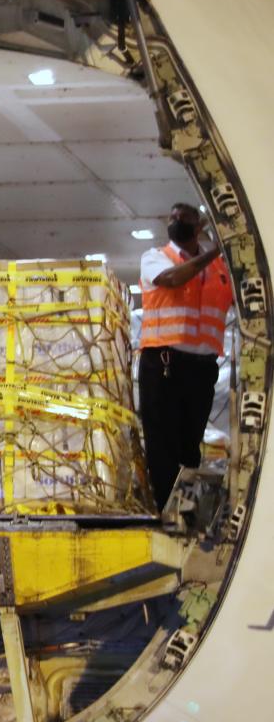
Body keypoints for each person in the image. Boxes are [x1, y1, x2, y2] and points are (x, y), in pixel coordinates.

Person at [138, 202, 230, 511]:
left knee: (189, 448)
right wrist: (217, 250)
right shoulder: (156, 257)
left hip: (201, 369)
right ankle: (167, 510)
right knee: (163, 446)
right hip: (163, 364)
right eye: (172, 217)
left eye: (184, 217)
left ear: (199, 225)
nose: (176, 221)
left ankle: (186, 512)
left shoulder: (221, 270)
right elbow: (174, 279)